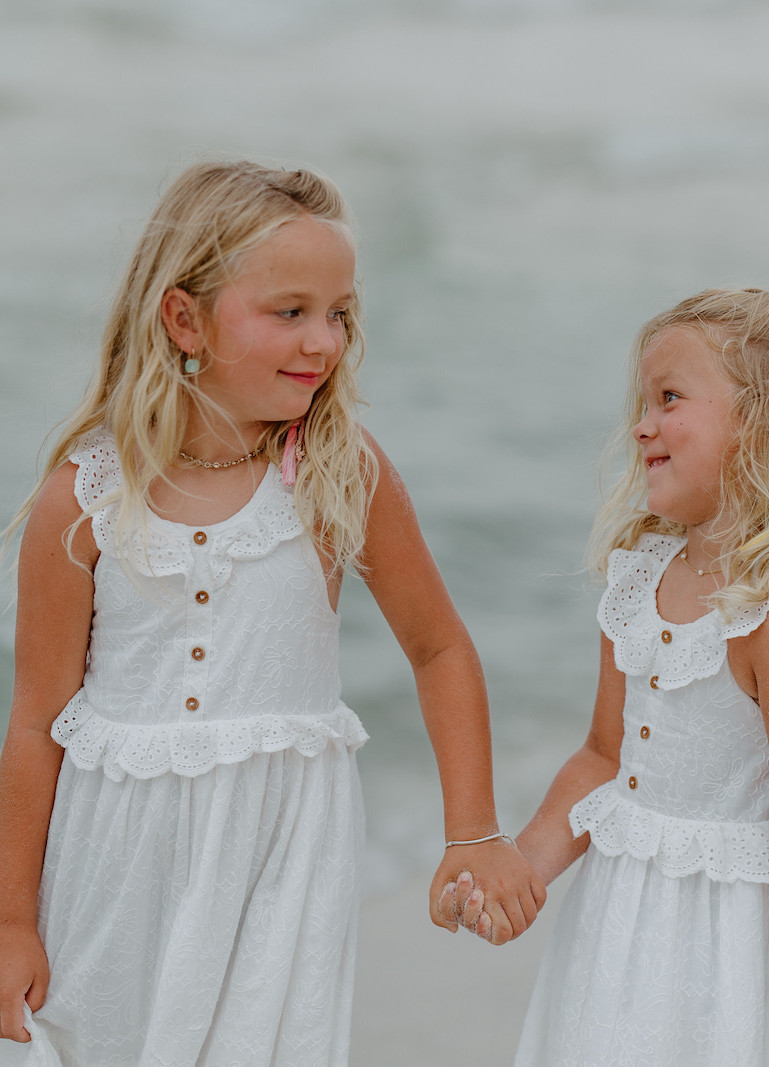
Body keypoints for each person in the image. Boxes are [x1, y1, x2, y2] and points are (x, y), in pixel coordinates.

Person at [0, 159, 545, 1066]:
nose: (324, 341)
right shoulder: (82, 501)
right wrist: (12, 918)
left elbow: (439, 646)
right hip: (110, 866)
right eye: (289, 312)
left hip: (279, 861)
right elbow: (33, 724)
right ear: (185, 319)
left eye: (338, 313)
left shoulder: (338, 474)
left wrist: (474, 830)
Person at [452, 288, 769, 1065]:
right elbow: (603, 757)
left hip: (722, 942)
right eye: (642, 403)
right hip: (616, 917)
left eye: (670, 398)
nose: (641, 424)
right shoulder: (639, 578)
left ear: (766, 423)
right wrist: (525, 865)